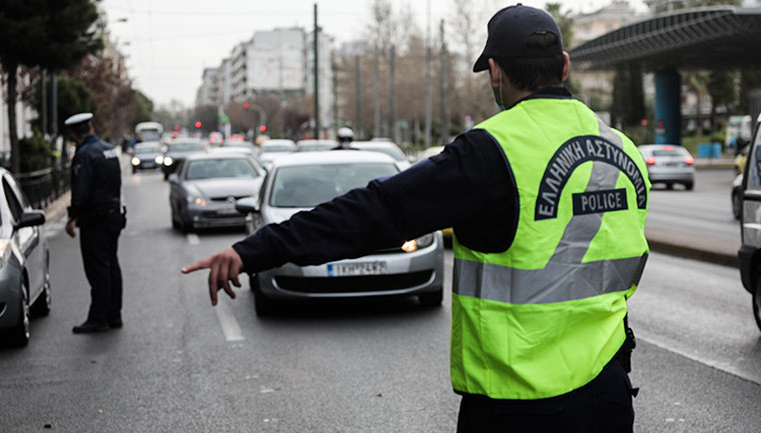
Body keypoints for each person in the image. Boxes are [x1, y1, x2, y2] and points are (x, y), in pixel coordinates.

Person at [182, 4, 649, 432]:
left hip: (522, 404)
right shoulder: (622, 149)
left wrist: (253, 249)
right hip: (608, 396)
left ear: (494, 73)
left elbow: (375, 212)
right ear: (564, 66)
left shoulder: (491, 150)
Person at [64, 112, 126, 334]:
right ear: (90, 128)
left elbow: (80, 191)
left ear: (74, 133)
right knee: (111, 265)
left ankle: (98, 317)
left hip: (95, 220)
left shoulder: (85, 154)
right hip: (113, 216)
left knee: (98, 269)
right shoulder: (108, 149)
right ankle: (114, 315)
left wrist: (72, 217)